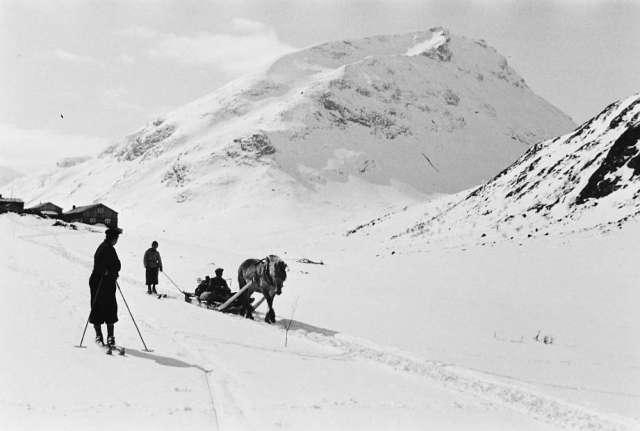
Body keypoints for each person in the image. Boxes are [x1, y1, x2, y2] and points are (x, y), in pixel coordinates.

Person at [89, 226, 122, 347]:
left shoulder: (111, 249)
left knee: (111, 308)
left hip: (108, 283)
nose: (116, 240)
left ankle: (110, 336)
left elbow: (117, 265)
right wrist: (105, 271)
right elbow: (98, 265)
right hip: (98, 283)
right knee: (97, 307)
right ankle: (98, 335)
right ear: (111, 238)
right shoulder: (102, 248)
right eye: (116, 238)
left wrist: (113, 272)